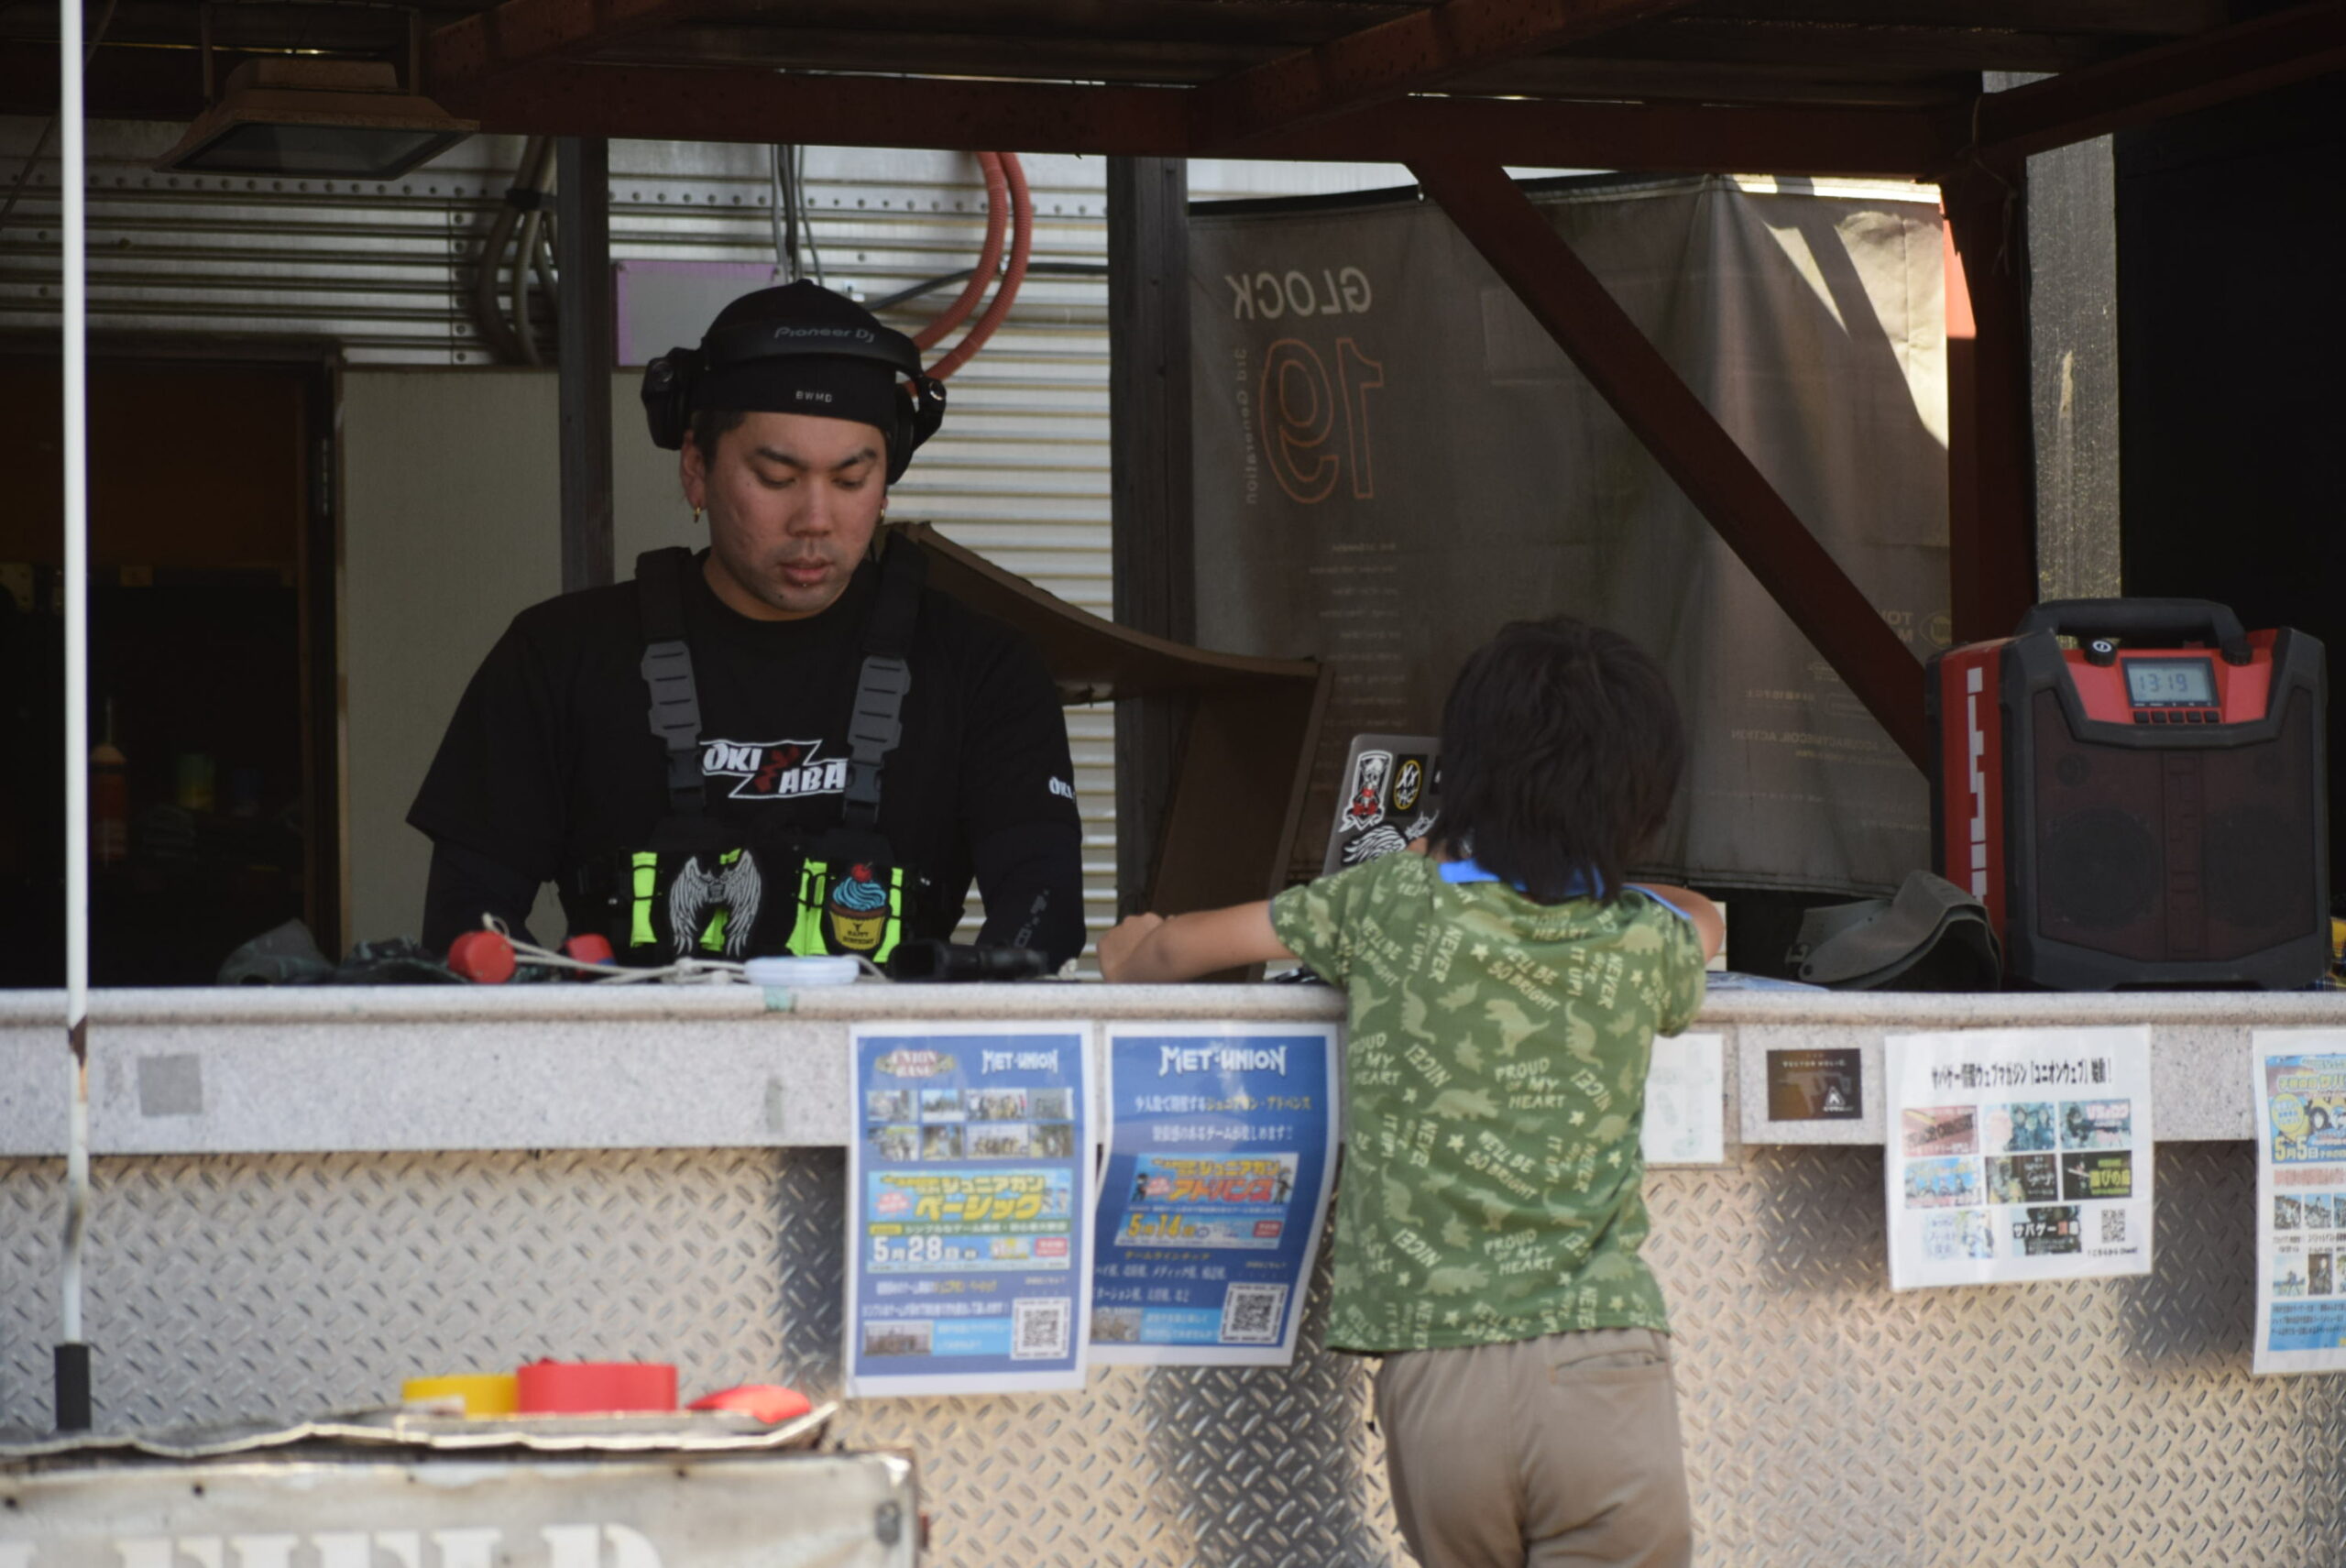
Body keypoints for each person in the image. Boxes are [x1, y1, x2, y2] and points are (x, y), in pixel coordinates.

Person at [1099, 616, 1723, 1568]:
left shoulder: (1388, 899)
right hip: (1603, 1361)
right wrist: (1611, 885)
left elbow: (1185, 947)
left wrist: (1127, 953)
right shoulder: (1640, 939)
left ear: (1462, 772)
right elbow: (1705, 920)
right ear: (1640, 801)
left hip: (1436, 1381)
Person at [411, 281, 1085, 969]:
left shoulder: (983, 670)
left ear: (888, 478)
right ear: (696, 469)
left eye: (850, 481)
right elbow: (465, 916)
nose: (815, 519)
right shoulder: (557, 658)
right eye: (776, 478)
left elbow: (1044, 906)